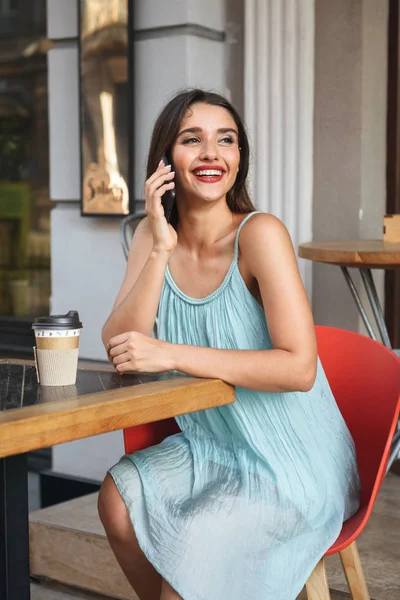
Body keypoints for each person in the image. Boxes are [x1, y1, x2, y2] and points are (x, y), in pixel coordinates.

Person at [98, 89, 360, 600]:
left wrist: (173, 354)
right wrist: (160, 252)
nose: (212, 153)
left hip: (291, 459)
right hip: (211, 446)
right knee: (115, 498)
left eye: (227, 140)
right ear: (165, 160)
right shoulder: (153, 239)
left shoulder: (260, 234)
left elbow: (299, 368)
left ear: (240, 158)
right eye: (191, 139)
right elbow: (120, 346)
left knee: (189, 562)